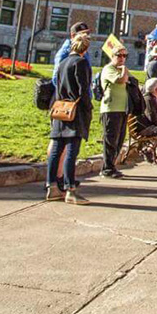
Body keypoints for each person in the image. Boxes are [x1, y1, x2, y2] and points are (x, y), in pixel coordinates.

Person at [46, 34, 94, 205]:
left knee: (56, 149)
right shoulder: (81, 63)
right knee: (71, 151)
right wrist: (88, 108)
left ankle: (52, 186)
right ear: (86, 49)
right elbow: (83, 90)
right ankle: (70, 189)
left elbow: (57, 86)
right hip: (75, 110)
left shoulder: (62, 63)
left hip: (60, 109)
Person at [98, 46, 130, 179]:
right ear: (112, 56)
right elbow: (121, 80)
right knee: (110, 140)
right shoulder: (109, 69)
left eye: (125, 56)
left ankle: (112, 166)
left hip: (122, 109)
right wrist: (124, 69)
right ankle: (107, 168)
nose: (122, 58)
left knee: (119, 140)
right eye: (119, 55)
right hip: (111, 109)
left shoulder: (121, 70)